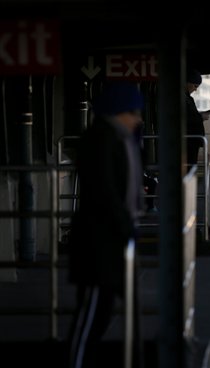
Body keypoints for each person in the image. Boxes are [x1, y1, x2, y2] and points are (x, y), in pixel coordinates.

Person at [67, 82, 145, 368]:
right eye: (133, 112)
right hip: (98, 243)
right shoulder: (101, 140)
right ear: (117, 111)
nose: (138, 118)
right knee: (92, 314)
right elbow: (105, 191)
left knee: (102, 312)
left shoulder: (116, 138)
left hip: (109, 241)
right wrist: (126, 226)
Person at [185, 68, 210, 169]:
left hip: (190, 141)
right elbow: (183, 118)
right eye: (195, 86)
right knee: (189, 169)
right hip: (187, 142)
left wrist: (199, 115)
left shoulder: (186, 98)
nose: (195, 89)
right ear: (187, 82)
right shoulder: (181, 98)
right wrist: (201, 117)